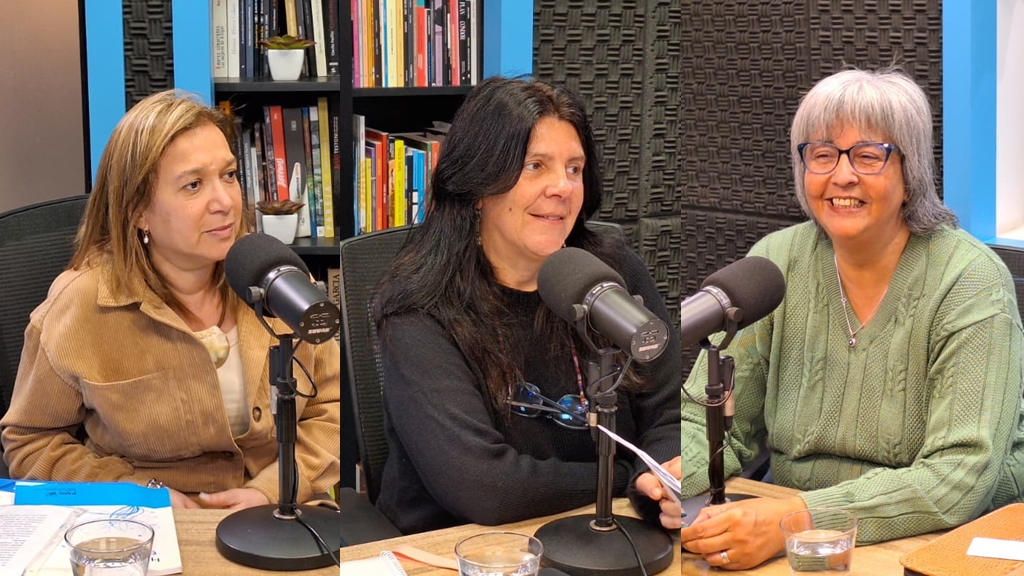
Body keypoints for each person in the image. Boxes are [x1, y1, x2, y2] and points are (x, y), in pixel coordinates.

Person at [678, 67, 1024, 569]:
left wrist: (793, 520)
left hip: (940, 541)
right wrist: (671, 476)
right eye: (822, 155)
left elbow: (959, 477)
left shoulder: (970, 281)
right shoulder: (776, 261)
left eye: (867, 155)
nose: (841, 176)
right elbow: (711, 423)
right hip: (795, 533)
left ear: (911, 173)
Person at [0, 90, 341, 510]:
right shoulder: (81, 304)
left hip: (278, 513)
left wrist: (270, 489)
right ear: (138, 211)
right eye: (194, 185)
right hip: (141, 528)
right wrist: (138, 494)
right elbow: (31, 443)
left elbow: (331, 407)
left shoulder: (277, 279)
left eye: (229, 175)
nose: (224, 202)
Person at [373, 76, 682, 535]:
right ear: (479, 184)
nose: (562, 186)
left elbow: (671, 411)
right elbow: (485, 485)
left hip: (610, 533)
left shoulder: (611, 272)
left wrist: (667, 477)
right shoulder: (419, 309)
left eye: (574, 169)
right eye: (536, 166)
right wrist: (629, 477)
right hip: (461, 548)